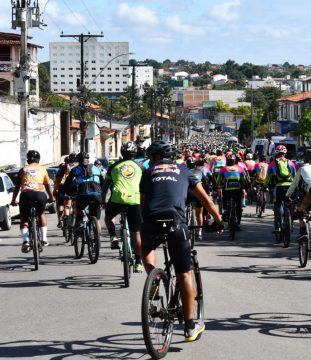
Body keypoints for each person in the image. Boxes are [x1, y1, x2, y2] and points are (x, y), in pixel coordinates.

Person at [139, 140, 223, 342]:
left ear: (157, 157)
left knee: (147, 248)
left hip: (151, 221)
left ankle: (154, 277)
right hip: (176, 222)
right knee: (184, 273)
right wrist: (219, 221)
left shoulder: (147, 173)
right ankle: (189, 327)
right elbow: (206, 200)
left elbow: (142, 205)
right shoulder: (184, 170)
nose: (150, 160)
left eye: (151, 157)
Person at [102, 141, 144, 272]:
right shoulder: (139, 167)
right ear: (134, 153)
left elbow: (105, 187)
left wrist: (103, 200)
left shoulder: (113, 166)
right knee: (136, 232)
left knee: (108, 217)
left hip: (117, 199)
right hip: (134, 201)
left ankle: (113, 236)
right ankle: (138, 262)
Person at [10, 150, 54, 252]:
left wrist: (13, 200)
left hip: (26, 195)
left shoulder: (23, 169)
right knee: (41, 213)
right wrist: (51, 198)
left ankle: (25, 241)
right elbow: (47, 185)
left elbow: (17, 187)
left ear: (28, 160)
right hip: (40, 195)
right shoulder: (42, 169)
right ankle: (44, 238)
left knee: (24, 219)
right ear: (38, 160)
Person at [63, 152, 104, 239]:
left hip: (82, 194)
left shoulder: (75, 169)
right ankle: (97, 238)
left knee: (79, 210)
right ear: (88, 160)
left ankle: (80, 227)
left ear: (78, 160)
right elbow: (102, 182)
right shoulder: (96, 168)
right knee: (97, 219)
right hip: (97, 194)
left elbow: (68, 183)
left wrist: (68, 193)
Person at [265, 145, 298, 233]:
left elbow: (267, 177)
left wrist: (264, 186)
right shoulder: (291, 163)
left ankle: (276, 225)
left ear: (276, 152)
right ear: (285, 153)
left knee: (277, 205)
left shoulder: (272, 163)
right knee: (289, 202)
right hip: (290, 186)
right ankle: (291, 219)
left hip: (279, 186)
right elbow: (296, 176)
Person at [217, 153, 248, 231]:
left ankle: (225, 211)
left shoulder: (224, 169)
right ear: (235, 161)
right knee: (238, 206)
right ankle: (238, 221)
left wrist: (217, 185)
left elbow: (218, 180)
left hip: (227, 191)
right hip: (237, 190)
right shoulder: (240, 168)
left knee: (225, 200)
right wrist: (245, 185)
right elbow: (243, 180)